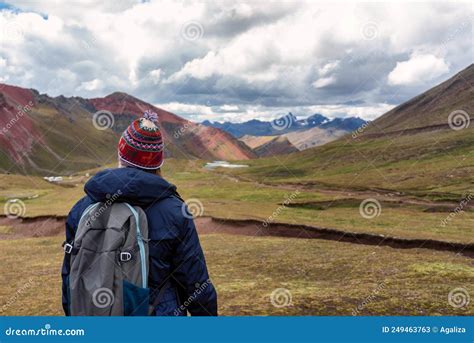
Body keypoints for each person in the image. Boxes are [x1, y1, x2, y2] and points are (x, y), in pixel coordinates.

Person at [61, 110, 218, 316]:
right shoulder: (175, 212)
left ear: (121, 154)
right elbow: (195, 282)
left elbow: (70, 275)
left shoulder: (82, 208)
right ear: (158, 162)